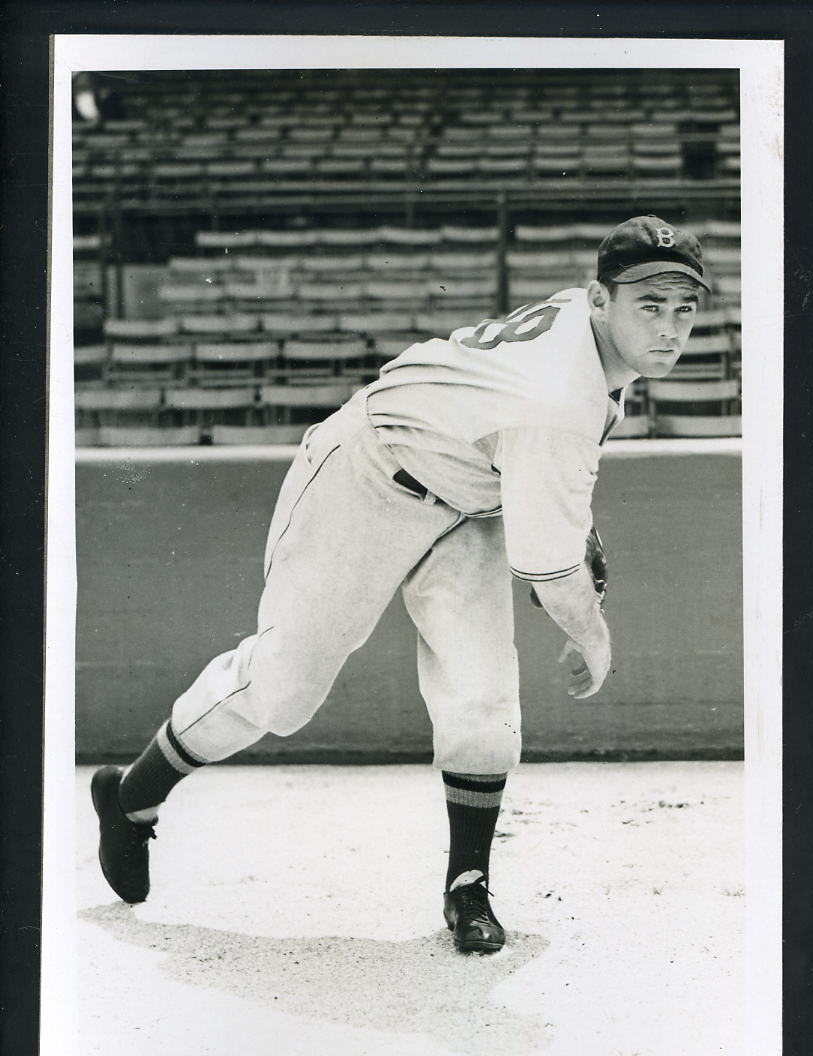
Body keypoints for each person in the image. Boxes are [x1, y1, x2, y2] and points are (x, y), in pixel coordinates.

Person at [91, 214, 709, 953]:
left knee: (482, 694)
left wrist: (570, 523)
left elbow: (532, 453)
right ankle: (130, 797)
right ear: (598, 299)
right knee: (283, 692)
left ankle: (467, 884)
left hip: (467, 497)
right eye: (649, 304)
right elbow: (546, 548)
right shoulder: (561, 393)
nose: (670, 326)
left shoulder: (583, 334)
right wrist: (592, 635)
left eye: (684, 307)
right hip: (370, 475)